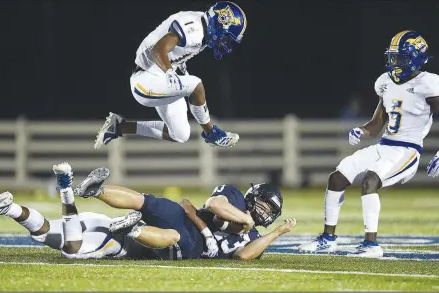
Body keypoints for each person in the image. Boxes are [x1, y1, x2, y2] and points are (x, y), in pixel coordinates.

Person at [298, 30, 439, 258]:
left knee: (370, 180)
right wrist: (361, 131)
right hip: (384, 145)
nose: (394, 63)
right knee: (337, 177)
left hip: (407, 151)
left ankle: (371, 245)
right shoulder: (385, 82)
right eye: (392, 57)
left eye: (400, 57)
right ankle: (328, 239)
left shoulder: (429, 83)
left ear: (415, 58)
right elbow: (376, 123)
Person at [94, 1, 246, 150]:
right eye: (226, 37)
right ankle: (211, 132)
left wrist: (176, 65)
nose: (225, 43)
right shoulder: (195, 30)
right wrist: (169, 70)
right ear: (219, 24)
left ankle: (119, 127)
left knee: (181, 134)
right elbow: (157, 49)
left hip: (160, 76)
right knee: (195, 85)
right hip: (144, 79)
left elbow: (174, 49)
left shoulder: (202, 27)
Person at [74, 168, 297, 260]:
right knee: (147, 201)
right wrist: (243, 218)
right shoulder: (236, 198)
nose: (266, 212)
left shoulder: (257, 238)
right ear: (253, 196)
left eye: (271, 210)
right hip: (189, 221)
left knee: (174, 236)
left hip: (195, 246)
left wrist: (277, 232)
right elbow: (214, 204)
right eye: (265, 204)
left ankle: (132, 229)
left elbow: (243, 256)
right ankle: (95, 190)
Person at [0, 163, 180, 260]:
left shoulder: (177, 221)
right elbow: (170, 240)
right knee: (72, 252)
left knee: (44, 233)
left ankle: (10, 208)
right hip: (113, 239)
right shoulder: (182, 241)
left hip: (99, 222)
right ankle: (65, 188)